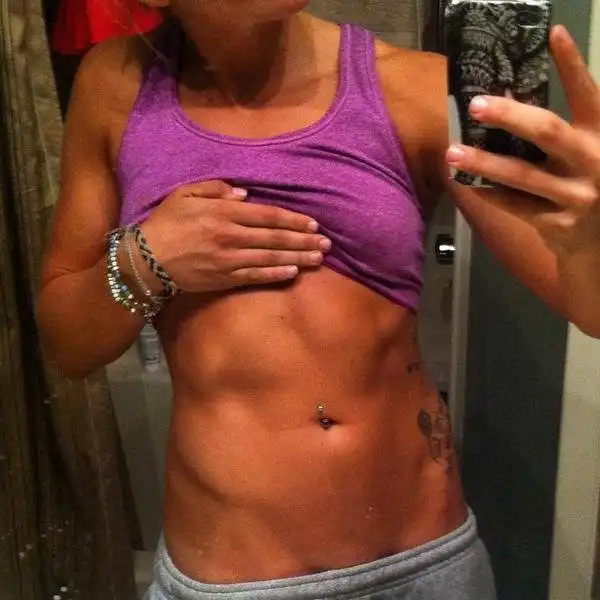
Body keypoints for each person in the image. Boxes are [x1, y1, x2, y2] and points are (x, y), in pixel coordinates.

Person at [36, 1, 600, 599]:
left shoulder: (417, 85)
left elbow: (588, 303)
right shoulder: (116, 85)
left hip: (422, 570)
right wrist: (146, 260)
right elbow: (69, 344)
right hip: (227, 582)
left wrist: (591, 234)